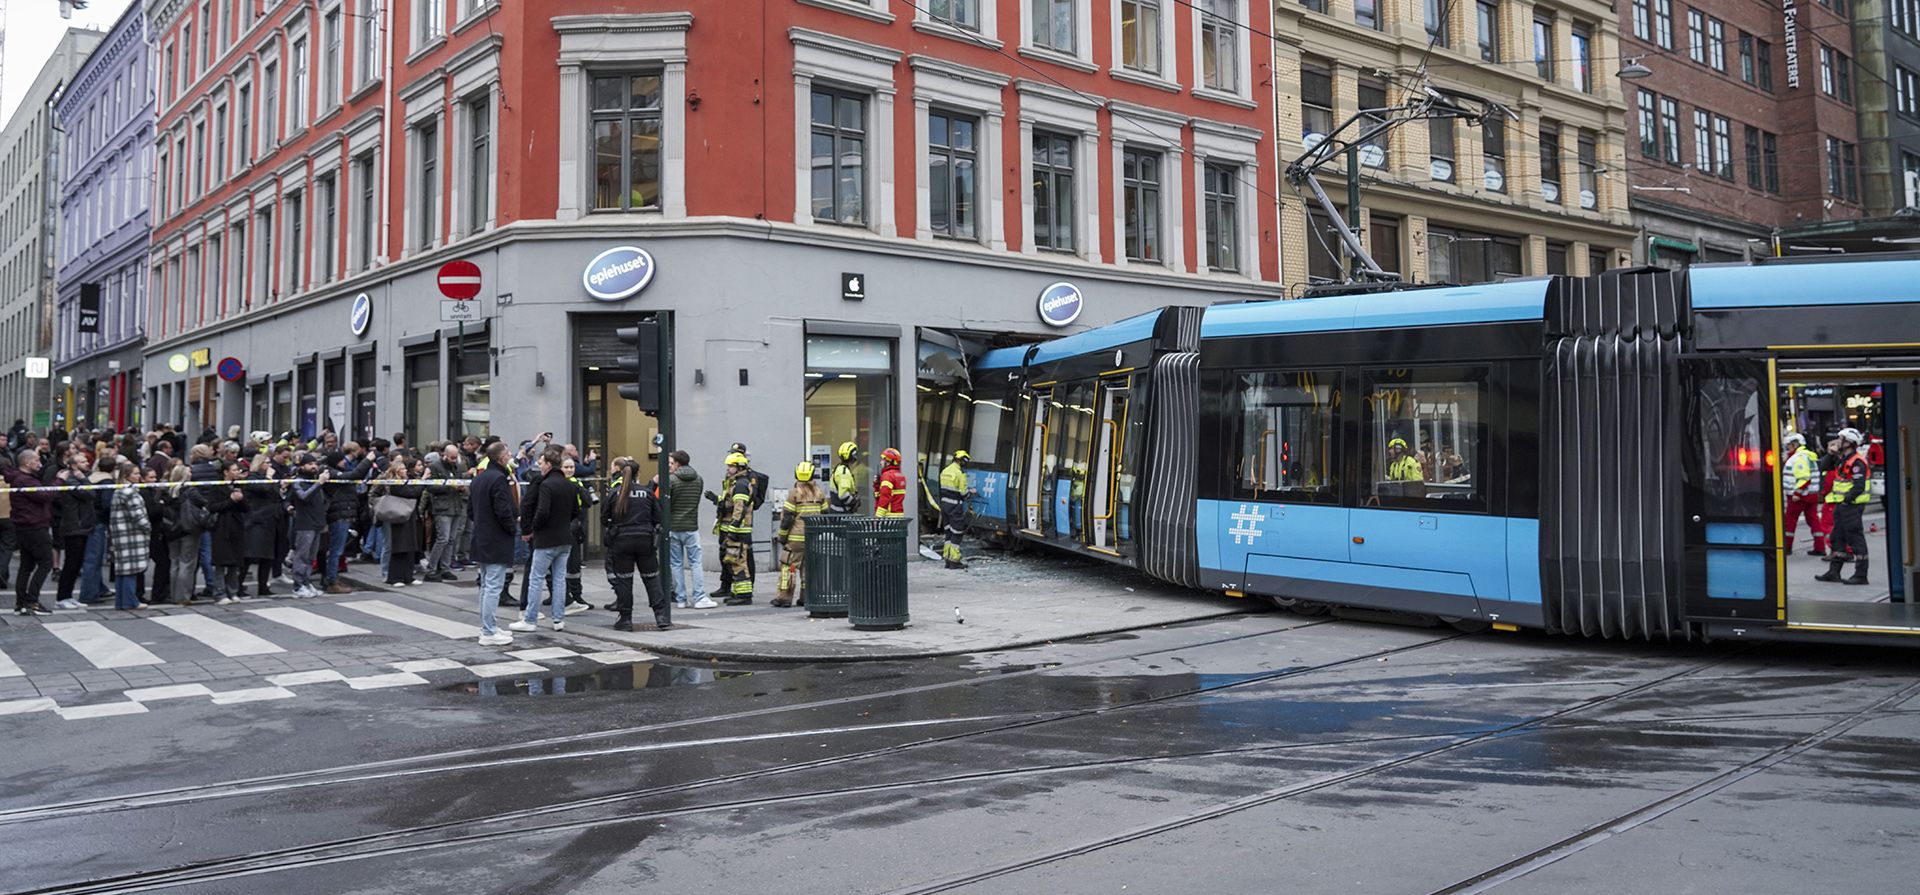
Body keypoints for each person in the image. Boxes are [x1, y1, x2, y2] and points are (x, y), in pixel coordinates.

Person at [511, 446, 576, 632]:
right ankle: (558, 619)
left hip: (546, 538)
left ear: (548, 464)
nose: (540, 467)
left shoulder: (546, 484)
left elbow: (542, 510)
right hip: (564, 538)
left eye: (541, 463)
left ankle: (530, 619)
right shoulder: (569, 484)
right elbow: (575, 511)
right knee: (559, 579)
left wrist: (533, 528)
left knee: (536, 578)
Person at [604, 457, 670, 631]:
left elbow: (604, 519)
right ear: (638, 474)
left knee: (625, 581)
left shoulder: (615, 493)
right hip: (644, 540)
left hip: (622, 541)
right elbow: (658, 517)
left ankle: (625, 619)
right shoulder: (646, 493)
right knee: (651, 578)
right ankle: (661, 616)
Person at [469, 440, 520, 645]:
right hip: (496, 538)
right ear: (502, 457)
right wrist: (511, 528)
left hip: (481, 536)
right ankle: (488, 631)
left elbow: (471, 511)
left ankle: (488, 626)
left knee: (486, 585)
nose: (510, 456)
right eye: (508, 454)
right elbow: (503, 509)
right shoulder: (498, 479)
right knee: (492, 586)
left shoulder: (480, 478)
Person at [1815, 427, 1874, 585]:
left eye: (1841, 439)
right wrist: (1831, 453)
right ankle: (1834, 572)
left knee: (1855, 538)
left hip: (1852, 506)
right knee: (1837, 537)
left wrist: (1847, 500)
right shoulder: (1842, 459)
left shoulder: (1857, 462)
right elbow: (1822, 466)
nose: (1837, 442)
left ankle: (1861, 575)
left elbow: (1858, 486)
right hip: (1842, 506)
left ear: (1849, 443)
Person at [6, 450, 55, 615]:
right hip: (34, 526)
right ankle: (32, 600)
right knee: (46, 562)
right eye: (36, 460)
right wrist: (60, 480)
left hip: (25, 526)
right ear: (27, 463)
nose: (39, 462)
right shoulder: (25, 481)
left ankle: (20, 603)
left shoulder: (21, 479)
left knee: (26, 566)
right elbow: (44, 496)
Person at [51, 451, 100, 609]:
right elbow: (89, 494)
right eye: (82, 462)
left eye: (86, 460)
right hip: (74, 526)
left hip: (82, 525)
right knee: (71, 563)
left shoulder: (77, 479)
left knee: (76, 563)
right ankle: (62, 597)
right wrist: (83, 479)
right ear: (73, 465)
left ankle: (68, 595)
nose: (87, 463)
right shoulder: (71, 480)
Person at [774, 461, 826, 607]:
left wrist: (782, 536)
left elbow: (787, 518)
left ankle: (784, 598)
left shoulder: (794, 493)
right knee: (808, 568)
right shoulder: (819, 492)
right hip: (813, 538)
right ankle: (806, 597)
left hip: (795, 539)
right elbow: (825, 514)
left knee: (788, 566)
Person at [663, 450, 711, 609]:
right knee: (695, 563)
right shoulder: (699, 479)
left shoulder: (671, 480)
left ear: (677, 463)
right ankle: (699, 597)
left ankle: (681, 598)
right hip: (691, 526)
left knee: (675, 563)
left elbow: (666, 504)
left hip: (674, 527)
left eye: (671, 462)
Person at [708, 451, 756, 605]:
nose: (728, 469)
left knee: (738, 561)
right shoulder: (735, 483)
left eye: (731, 466)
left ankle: (744, 595)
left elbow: (739, 508)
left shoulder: (741, 485)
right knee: (732, 560)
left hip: (738, 531)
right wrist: (716, 500)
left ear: (739, 467)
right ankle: (737, 592)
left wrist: (733, 529)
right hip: (735, 529)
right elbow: (729, 504)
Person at [204, 461, 251, 603]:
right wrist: (230, 500)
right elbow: (212, 506)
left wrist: (241, 499)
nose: (237, 472)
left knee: (234, 563)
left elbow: (246, 507)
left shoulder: (239, 486)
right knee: (220, 563)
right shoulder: (217, 487)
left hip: (237, 528)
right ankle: (219, 593)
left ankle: (233, 591)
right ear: (226, 472)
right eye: (235, 470)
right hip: (221, 528)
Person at [373, 459, 425, 587]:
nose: (405, 470)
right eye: (402, 469)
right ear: (396, 471)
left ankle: (408, 576)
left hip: (410, 516)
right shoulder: (395, 484)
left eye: (405, 468)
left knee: (410, 546)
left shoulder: (407, 481)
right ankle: (395, 577)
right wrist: (424, 480)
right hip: (399, 516)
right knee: (399, 547)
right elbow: (412, 493)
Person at [107, 460, 151, 611]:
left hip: (121, 534)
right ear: (127, 475)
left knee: (123, 571)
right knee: (131, 570)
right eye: (136, 474)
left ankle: (121, 601)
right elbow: (138, 516)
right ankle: (131, 601)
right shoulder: (129, 492)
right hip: (132, 535)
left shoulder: (119, 490)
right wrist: (147, 527)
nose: (139, 476)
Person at [286, 453, 329, 599]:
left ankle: (306, 581)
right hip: (304, 524)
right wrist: (319, 483)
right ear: (302, 466)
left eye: (315, 464)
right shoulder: (299, 481)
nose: (314, 467)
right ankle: (298, 586)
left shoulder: (314, 480)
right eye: (310, 464)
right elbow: (304, 496)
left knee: (311, 557)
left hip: (317, 522)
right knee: (302, 556)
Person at [423, 443, 468, 582]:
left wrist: (461, 487)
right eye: (452, 457)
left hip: (455, 505)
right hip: (442, 507)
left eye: (456, 457)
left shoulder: (455, 467)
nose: (454, 460)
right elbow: (430, 486)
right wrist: (449, 485)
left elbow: (460, 480)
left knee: (451, 540)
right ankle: (431, 569)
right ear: (445, 455)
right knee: (443, 539)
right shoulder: (435, 467)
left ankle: (445, 568)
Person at [161, 466, 202, 606]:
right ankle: (183, 595)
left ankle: (173, 594)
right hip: (187, 529)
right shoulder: (190, 491)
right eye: (189, 472)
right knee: (187, 563)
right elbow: (204, 503)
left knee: (174, 562)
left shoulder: (167, 490)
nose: (191, 473)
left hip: (171, 530)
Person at [1781, 432, 1827, 555]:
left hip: (1799, 497)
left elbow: (1804, 479)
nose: (1788, 448)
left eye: (1789, 445)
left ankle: (1787, 547)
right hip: (1811, 495)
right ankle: (1820, 547)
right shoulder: (1808, 456)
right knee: (1813, 521)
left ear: (1795, 444)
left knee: (1790, 522)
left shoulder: (1799, 458)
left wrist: (1797, 493)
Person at [562, 455, 598, 611]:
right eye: (566, 467)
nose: (569, 470)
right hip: (561, 528)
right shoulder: (556, 483)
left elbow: (588, 503)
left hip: (574, 527)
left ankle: (576, 595)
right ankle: (563, 597)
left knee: (574, 563)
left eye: (572, 467)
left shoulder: (577, 483)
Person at [937, 450, 970, 570]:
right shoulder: (960, 474)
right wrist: (971, 492)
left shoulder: (944, 471)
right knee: (957, 533)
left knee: (949, 533)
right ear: (962, 461)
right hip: (955, 507)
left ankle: (947, 558)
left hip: (944, 506)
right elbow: (964, 493)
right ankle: (954, 561)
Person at [829, 441, 861, 514]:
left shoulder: (839, 469)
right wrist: (854, 501)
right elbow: (843, 495)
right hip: (842, 514)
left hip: (838, 513)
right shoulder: (843, 472)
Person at [874, 448, 906, 517]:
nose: (881, 462)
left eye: (883, 459)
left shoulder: (888, 476)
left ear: (888, 461)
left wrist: (878, 517)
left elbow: (884, 498)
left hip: (888, 517)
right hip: (899, 516)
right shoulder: (900, 475)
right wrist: (877, 486)